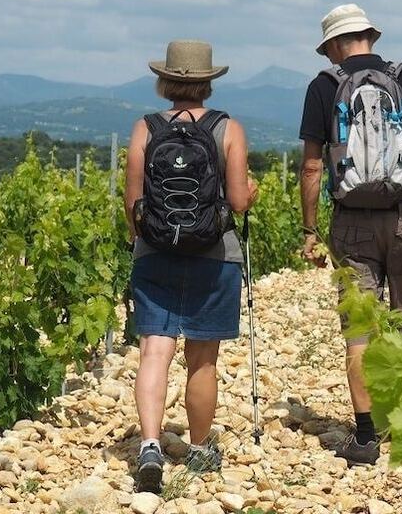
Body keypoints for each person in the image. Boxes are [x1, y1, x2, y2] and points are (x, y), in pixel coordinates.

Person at [299, 4, 402, 465]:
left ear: (334, 46)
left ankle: (365, 437)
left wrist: (310, 231)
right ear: (368, 37)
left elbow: (311, 166)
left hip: (352, 222)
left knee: (359, 331)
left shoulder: (324, 87)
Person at [124, 40, 258, 493]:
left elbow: (133, 202)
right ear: (208, 82)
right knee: (203, 358)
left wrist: (142, 240)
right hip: (214, 256)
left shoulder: (145, 128)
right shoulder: (229, 129)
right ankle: (199, 449)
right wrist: (250, 193)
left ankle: (149, 446)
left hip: (155, 251)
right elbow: (238, 202)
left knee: (155, 351)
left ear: (166, 80)